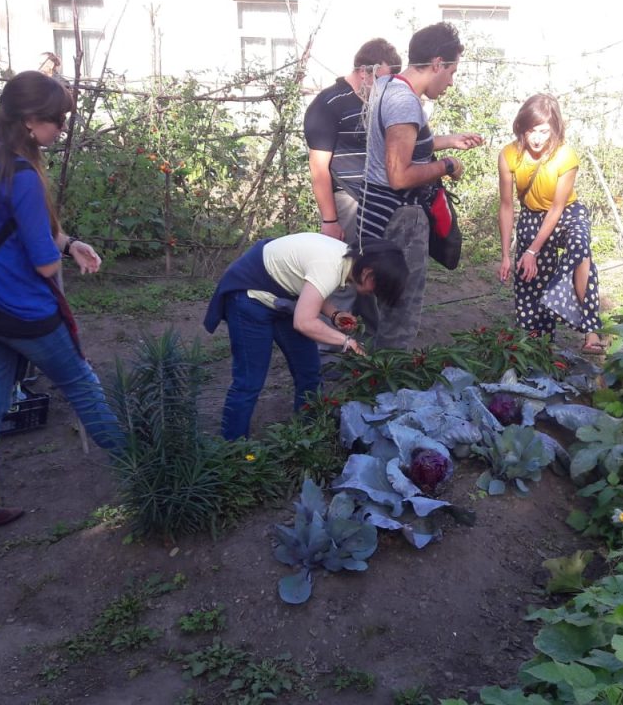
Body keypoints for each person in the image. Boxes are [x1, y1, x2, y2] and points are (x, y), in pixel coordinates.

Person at [0, 71, 124, 540]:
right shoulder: (21, 172)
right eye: (59, 120)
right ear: (33, 119)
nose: (61, 129)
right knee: (82, 385)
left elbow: (7, 225)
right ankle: (152, 473)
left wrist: (69, 241)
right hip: (22, 311)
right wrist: (55, 252)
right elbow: (40, 263)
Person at [203, 233, 408, 441]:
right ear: (368, 272)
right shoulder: (330, 265)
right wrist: (346, 342)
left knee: (309, 372)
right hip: (249, 296)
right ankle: (232, 449)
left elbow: (308, 287)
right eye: (378, 288)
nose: (374, 294)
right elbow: (303, 322)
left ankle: (308, 435)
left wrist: (334, 314)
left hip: (282, 298)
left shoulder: (347, 260)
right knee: (249, 381)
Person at [359, 22, 483, 350]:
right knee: (400, 312)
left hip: (374, 211)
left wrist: (446, 142)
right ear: (437, 63)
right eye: (452, 71)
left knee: (381, 307)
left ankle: (374, 378)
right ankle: (393, 389)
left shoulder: (386, 85)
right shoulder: (405, 103)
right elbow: (398, 175)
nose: (451, 82)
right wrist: (447, 166)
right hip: (400, 216)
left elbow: (399, 145)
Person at [303, 38, 402, 342]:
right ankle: (331, 360)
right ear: (364, 72)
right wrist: (330, 221)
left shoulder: (376, 104)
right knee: (342, 283)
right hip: (346, 203)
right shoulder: (328, 104)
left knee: (373, 279)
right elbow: (319, 167)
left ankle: (373, 356)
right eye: (382, 79)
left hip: (377, 204)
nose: (385, 86)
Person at [497, 94, 603, 353]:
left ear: (554, 129)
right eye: (531, 130)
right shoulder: (509, 155)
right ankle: (538, 339)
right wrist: (506, 256)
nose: (536, 138)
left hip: (566, 212)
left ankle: (591, 332)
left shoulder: (566, 156)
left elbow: (557, 208)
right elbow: (507, 205)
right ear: (521, 127)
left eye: (544, 131)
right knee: (529, 275)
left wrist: (533, 250)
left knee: (580, 250)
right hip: (532, 215)